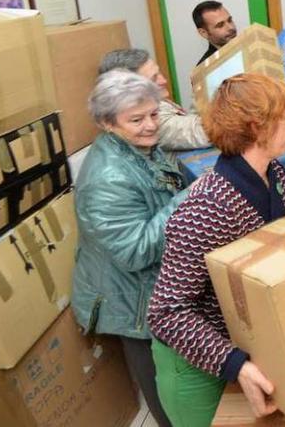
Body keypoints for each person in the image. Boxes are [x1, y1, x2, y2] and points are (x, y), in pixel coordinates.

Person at [148, 73, 285, 426]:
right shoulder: (208, 207)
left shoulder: (275, 174)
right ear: (256, 126)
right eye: (284, 119)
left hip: (244, 345)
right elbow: (166, 313)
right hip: (196, 363)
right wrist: (235, 364)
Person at [72, 70, 189, 427]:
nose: (151, 125)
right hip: (131, 302)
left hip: (152, 287)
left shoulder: (141, 147)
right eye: (136, 120)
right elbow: (136, 249)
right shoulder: (107, 178)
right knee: (162, 387)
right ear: (107, 123)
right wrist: (188, 201)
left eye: (154, 114)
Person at [99, 49, 210, 154]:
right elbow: (211, 132)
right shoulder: (150, 117)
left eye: (159, 73)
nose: (163, 80)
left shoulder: (155, 104)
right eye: (153, 79)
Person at [192, 0, 237, 66]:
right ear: (203, 33)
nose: (231, 27)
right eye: (220, 25)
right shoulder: (205, 70)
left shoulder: (250, 44)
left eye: (230, 20)